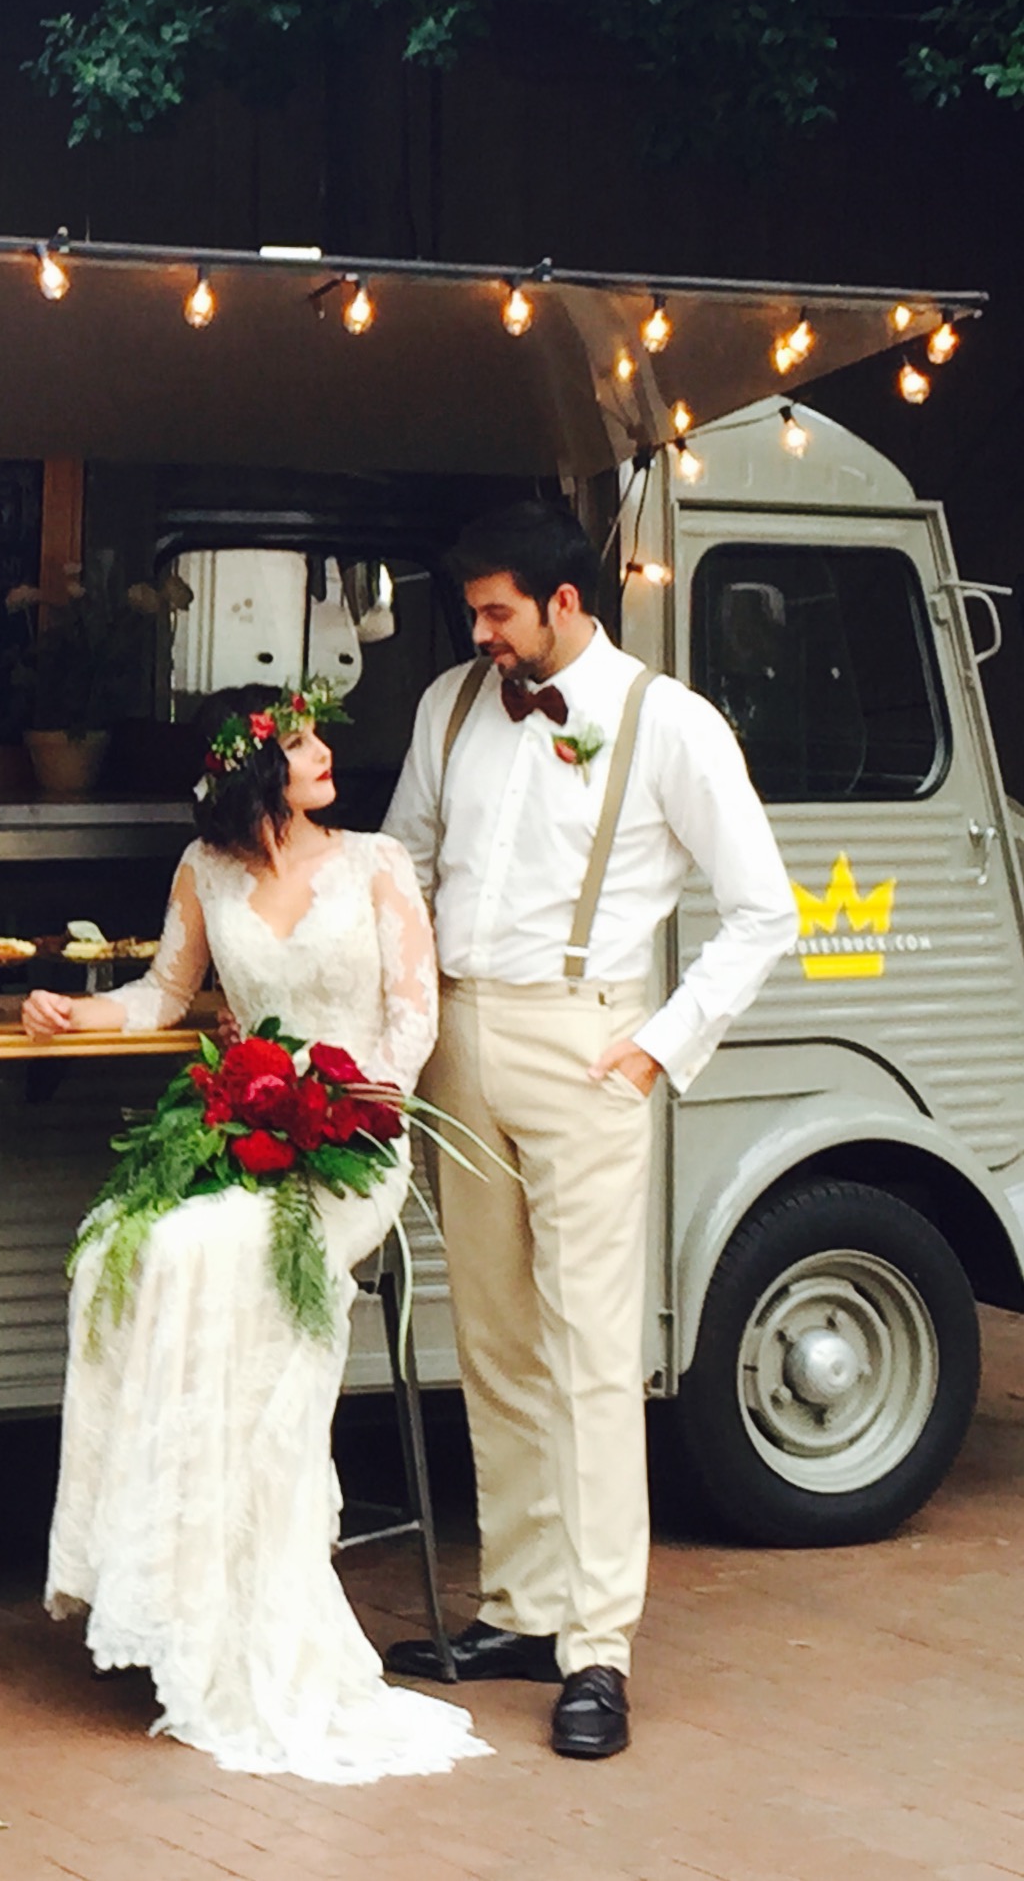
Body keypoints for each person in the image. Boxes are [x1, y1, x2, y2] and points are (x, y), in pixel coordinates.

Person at [380, 499, 796, 1760]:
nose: (479, 632)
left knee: (593, 1350)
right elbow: (399, 864)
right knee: (497, 1337)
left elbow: (762, 910)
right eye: (472, 612)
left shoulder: (671, 721)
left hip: (588, 1041)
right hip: (458, 1038)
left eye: (498, 611)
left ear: (567, 601)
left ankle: (597, 1646)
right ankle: (519, 1604)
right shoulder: (450, 703)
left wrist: (659, 1044)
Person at [23, 684, 489, 1784]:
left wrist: (339, 1106)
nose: (327, 750)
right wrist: (73, 1009)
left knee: (217, 1253)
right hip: (244, 1119)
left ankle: (255, 1586)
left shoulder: (376, 862)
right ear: (249, 769)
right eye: (301, 740)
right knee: (115, 1248)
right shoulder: (204, 869)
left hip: (354, 1136)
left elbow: (413, 1021)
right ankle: (178, 1577)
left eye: (319, 735)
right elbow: (160, 992)